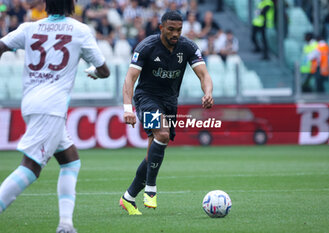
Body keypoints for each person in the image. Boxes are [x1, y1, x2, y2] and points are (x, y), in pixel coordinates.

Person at [0, 1, 110, 233]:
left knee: (70, 161)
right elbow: (104, 70)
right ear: (72, 6)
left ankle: (66, 225)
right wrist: (92, 72)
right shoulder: (80, 30)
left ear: (46, 6)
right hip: (52, 107)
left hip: (31, 102)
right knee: (31, 167)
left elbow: (1, 46)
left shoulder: (29, 28)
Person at [120, 10, 213, 215]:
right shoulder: (146, 47)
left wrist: (207, 93)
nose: (175, 34)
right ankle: (151, 189)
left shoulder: (187, 47)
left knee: (153, 152)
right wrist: (128, 109)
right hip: (147, 98)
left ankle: (128, 197)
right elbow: (129, 79)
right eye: (171, 29)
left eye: (178, 30)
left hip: (170, 102)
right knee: (162, 134)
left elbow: (204, 74)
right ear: (161, 27)